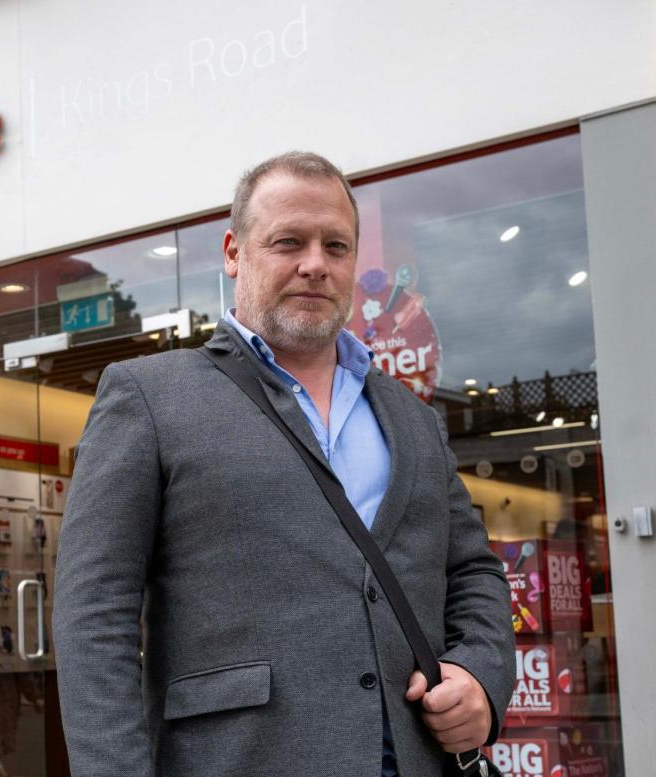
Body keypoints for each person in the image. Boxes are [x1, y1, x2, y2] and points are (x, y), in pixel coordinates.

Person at [52, 151, 514, 776]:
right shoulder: (148, 398)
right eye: (288, 241)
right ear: (234, 252)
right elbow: (94, 614)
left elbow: (473, 571)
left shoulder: (413, 419)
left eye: (337, 246)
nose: (315, 265)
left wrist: (481, 677)